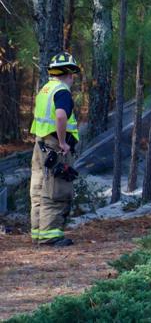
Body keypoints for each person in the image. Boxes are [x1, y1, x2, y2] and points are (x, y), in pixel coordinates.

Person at [29, 53, 82, 247]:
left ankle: (38, 233)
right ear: (69, 73)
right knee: (56, 189)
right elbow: (60, 116)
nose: (73, 78)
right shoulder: (62, 92)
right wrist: (62, 142)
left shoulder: (45, 89)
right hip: (55, 147)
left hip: (41, 145)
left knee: (39, 189)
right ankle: (50, 237)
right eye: (73, 74)